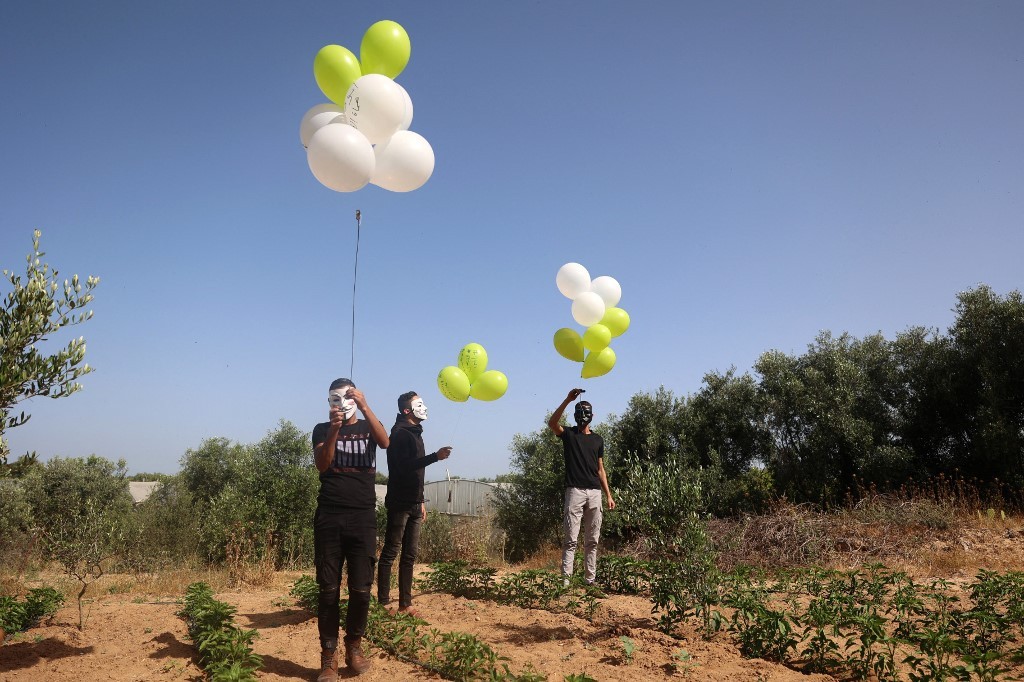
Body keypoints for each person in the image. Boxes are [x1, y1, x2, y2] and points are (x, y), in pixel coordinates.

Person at [311, 378, 389, 681]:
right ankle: (328, 656)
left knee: (360, 589)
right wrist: (333, 429)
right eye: (335, 399)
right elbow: (322, 464)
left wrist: (367, 406)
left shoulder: (369, 424)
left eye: (347, 397)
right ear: (329, 402)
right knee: (328, 590)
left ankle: (353, 647)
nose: (341, 403)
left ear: (356, 397)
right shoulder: (321, 429)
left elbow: (385, 442)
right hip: (329, 517)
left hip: (363, 517)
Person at [377, 391, 451, 616]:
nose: (424, 407)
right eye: (419, 403)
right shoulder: (399, 434)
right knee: (391, 552)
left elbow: (417, 473)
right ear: (406, 410)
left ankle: (405, 604)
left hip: (414, 502)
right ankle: (383, 602)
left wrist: (421, 500)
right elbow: (404, 467)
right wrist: (434, 457)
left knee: (410, 555)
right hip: (400, 503)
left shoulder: (415, 433)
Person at [547, 388, 615, 586]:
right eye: (580, 412)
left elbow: (601, 469)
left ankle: (589, 580)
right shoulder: (568, 434)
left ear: (592, 416)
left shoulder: (598, 439)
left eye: (586, 412)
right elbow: (552, 423)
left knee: (592, 541)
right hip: (575, 491)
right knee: (571, 540)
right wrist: (568, 399)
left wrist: (608, 495)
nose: (583, 416)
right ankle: (565, 583)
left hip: (594, 493)